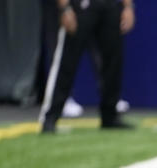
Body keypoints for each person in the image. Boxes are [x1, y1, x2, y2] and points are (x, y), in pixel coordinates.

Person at [40, 0, 135, 134]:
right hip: (80, 5)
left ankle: (110, 115)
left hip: (110, 5)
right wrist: (65, 8)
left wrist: (128, 6)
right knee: (67, 61)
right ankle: (50, 116)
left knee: (113, 62)